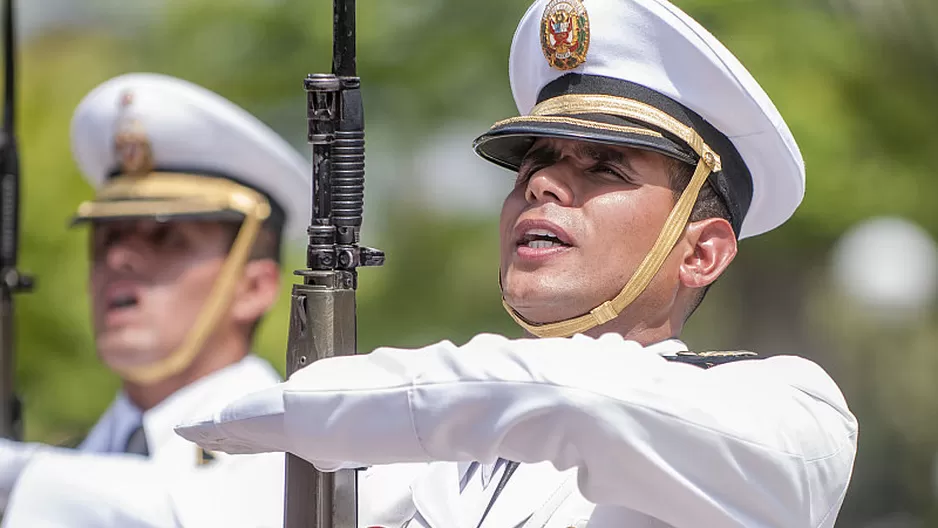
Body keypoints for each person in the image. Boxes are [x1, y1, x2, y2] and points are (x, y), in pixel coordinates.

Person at [176, 0, 860, 526]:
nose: (541, 186)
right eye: (533, 166)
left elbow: (567, 398)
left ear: (701, 251)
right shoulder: (423, 468)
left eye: (604, 167)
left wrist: (287, 408)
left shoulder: (787, 417)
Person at [0, 73, 311, 527]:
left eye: (166, 238)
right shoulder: (79, 455)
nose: (120, 258)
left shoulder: (299, 461)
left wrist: (18, 481)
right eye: (106, 238)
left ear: (254, 288)